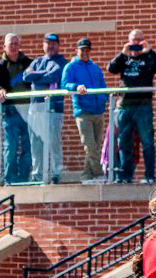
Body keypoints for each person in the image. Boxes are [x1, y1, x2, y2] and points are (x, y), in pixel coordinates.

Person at [107, 30, 156, 184]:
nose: (137, 44)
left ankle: (149, 176)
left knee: (147, 142)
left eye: (140, 40)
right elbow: (111, 68)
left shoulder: (148, 57)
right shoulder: (124, 57)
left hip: (143, 105)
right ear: (129, 41)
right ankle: (125, 176)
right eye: (134, 40)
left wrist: (150, 51)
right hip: (125, 106)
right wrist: (122, 53)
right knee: (124, 142)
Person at [23, 34, 68, 184]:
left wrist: (37, 78)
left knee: (53, 142)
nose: (51, 46)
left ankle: (56, 174)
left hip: (53, 109)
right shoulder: (37, 61)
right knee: (35, 143)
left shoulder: (62, 62)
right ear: (43, 45)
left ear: (58, 45)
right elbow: (25, 76)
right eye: (48, 43)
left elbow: (54, 76)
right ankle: (38, 176)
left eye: (54, 43)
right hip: (35, 108)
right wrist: (43, 75)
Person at [61, 38, 107, 183]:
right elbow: (65, 84)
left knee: (96, 146)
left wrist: (105, 98)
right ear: (77, 51)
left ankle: (86, 175)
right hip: (83, 111)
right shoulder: (71, 67)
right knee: (90, 145)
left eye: (87, 50)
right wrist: (76, 86)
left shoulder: (95, 67)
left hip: (98, 111)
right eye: (82, 50)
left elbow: (102, 85)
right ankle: (99, 174)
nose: (85, 52)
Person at [2, 34, 33, 184]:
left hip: (29, 110)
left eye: (16, 43)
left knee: (28, 146)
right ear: (4, 47)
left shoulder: (29, 63)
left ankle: (23, 179)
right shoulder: (1, 66)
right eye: (11, 44)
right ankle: (10, 179)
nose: (14, 46)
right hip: (11, 111)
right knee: (11, 147)